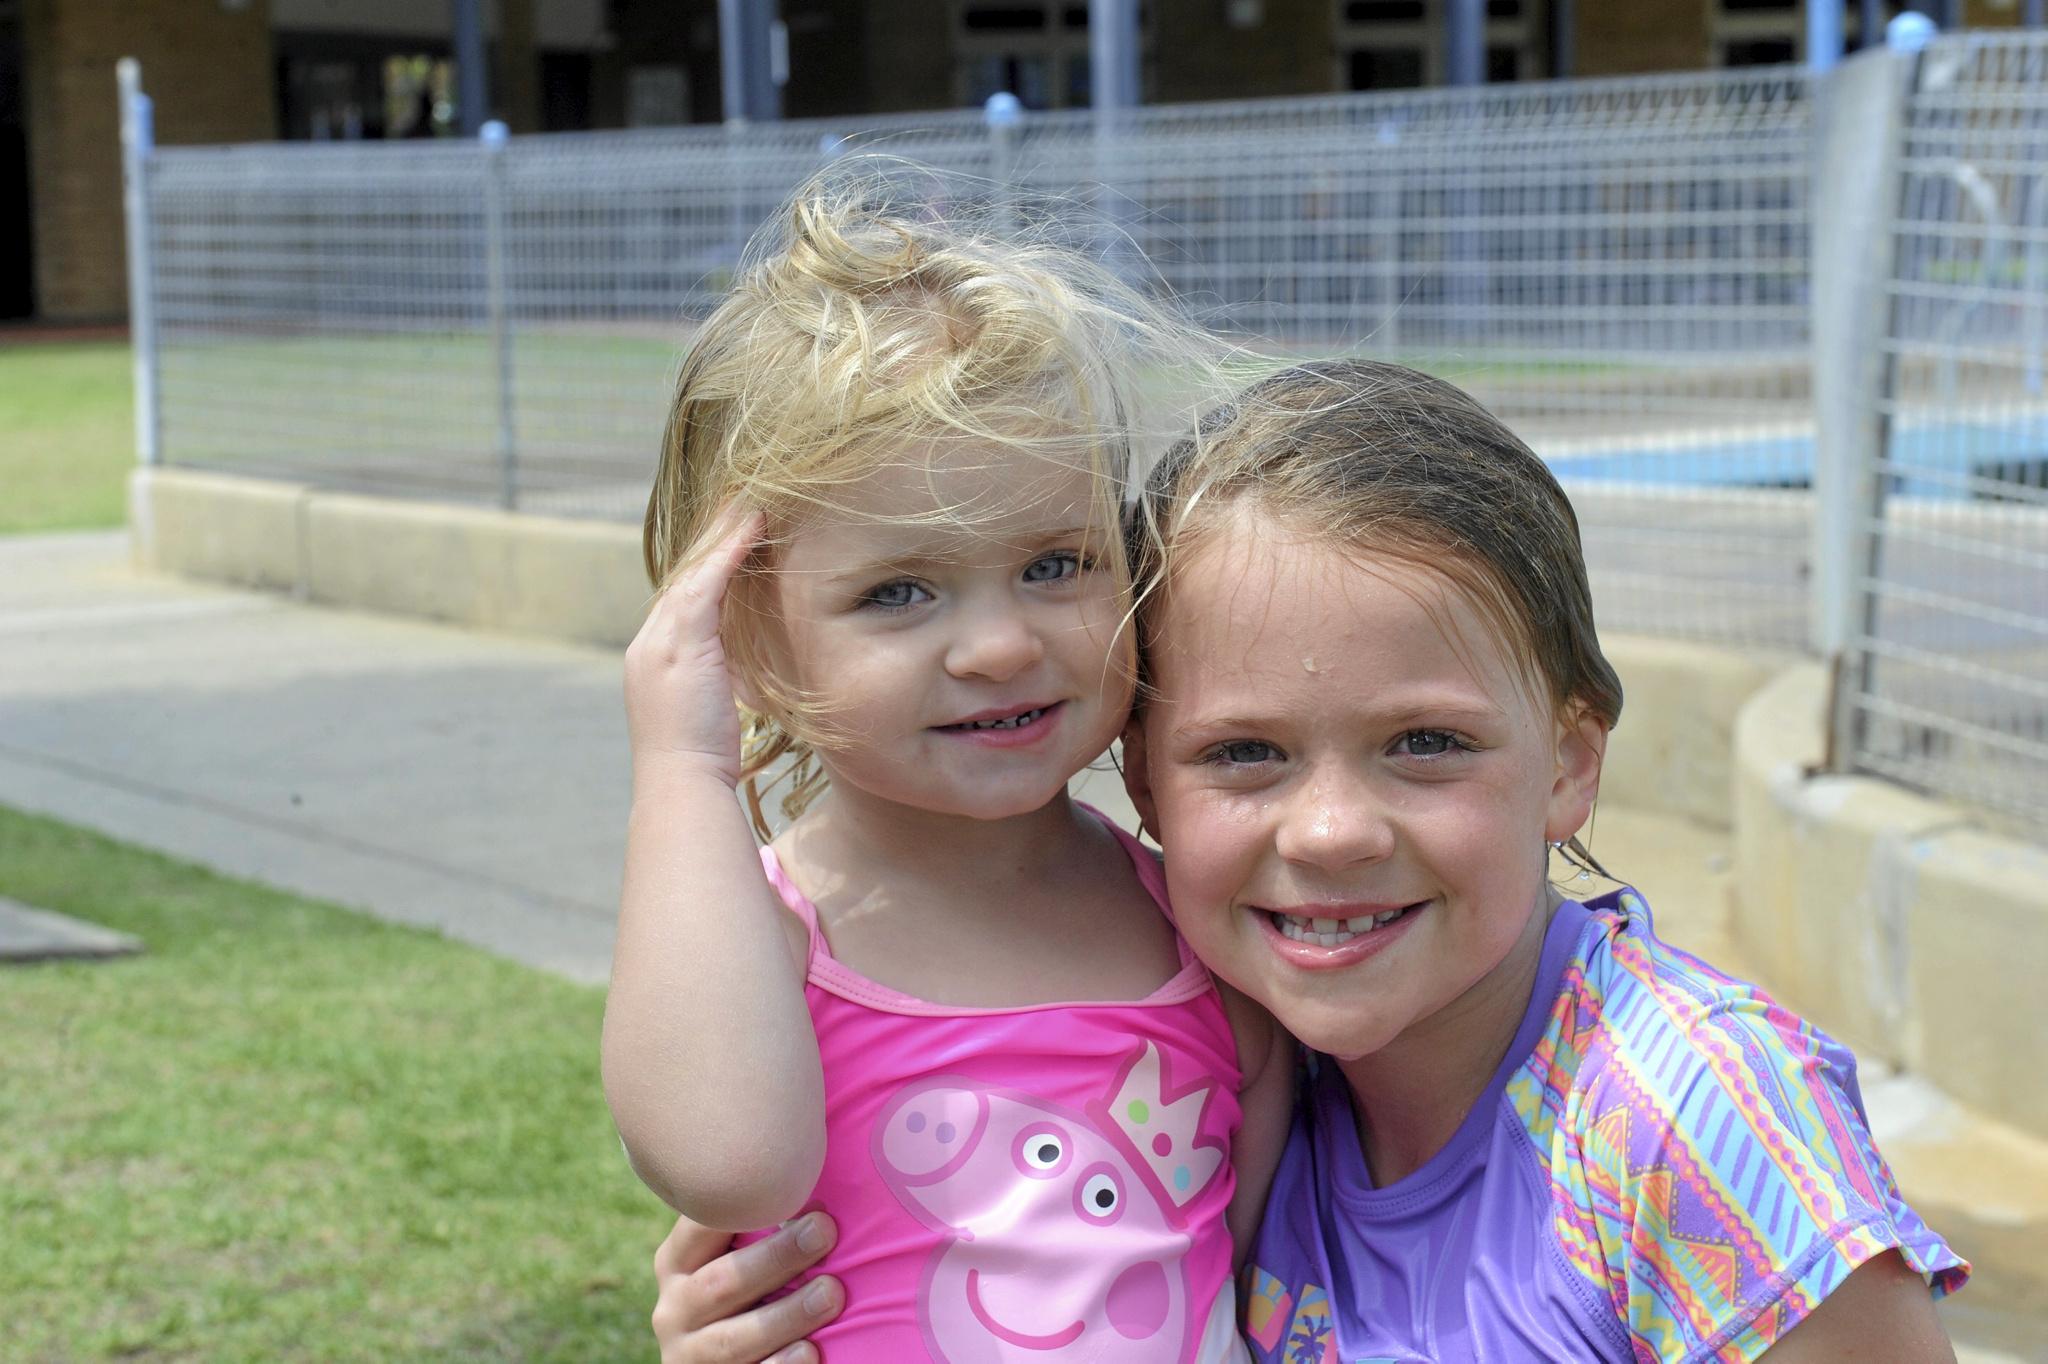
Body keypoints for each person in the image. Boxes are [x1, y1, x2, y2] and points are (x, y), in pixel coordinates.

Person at [653, 359, 1968, 1363]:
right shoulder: (1232, 1082)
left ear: (1569, 762)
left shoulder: (1694, 1119)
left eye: (1426, 743)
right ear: (1145, 781)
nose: (1333, 832)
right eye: (1245, 757)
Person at [603, 173, 1294, 1364]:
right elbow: (725, 1160)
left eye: (1055, 562)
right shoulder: (762, 936)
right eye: (900, 590)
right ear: (750, 638)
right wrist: (680, 763)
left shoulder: (1199, 917)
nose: (999, 645)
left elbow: (1261, 1275)